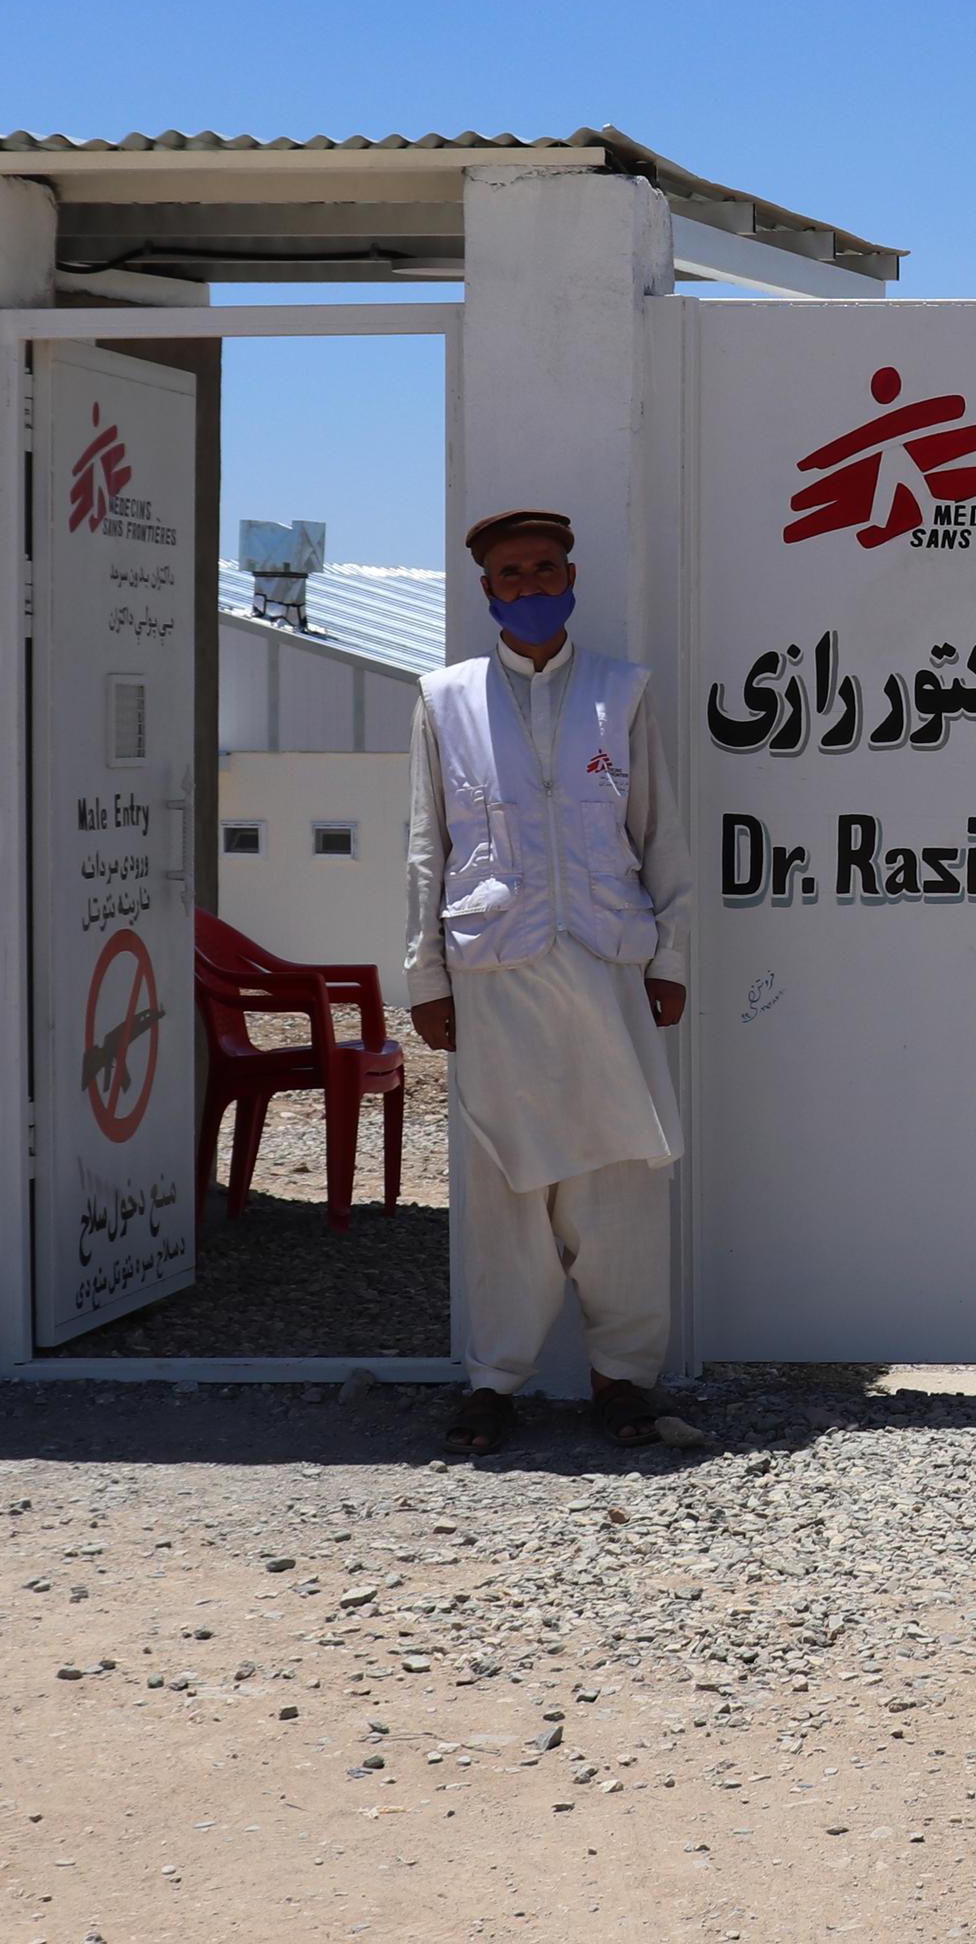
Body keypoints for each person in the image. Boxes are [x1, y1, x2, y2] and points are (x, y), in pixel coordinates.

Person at [404, 509, 691, 1456]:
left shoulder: (622, 692)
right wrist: (427, 976)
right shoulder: (445, 700)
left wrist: (671, 958)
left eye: (545, 568)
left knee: (621, 1179)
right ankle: (496, 1380)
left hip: (610, 963)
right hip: (496, 968)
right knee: (506, 1184)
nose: (531, 585)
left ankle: (624, 1380)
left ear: (572, 573)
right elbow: (425, 850)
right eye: (512, 574)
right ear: (487, 590)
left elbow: (661, 838)